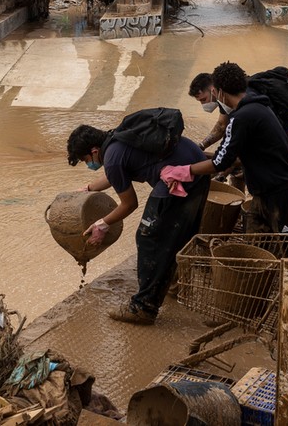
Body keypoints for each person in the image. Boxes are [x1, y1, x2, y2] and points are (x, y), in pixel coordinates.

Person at [66, 118, 210, 325]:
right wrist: (88, 189)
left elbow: (129, 204)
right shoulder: (117, 139)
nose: (87, 163)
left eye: (85, 159)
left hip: (179, 178)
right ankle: (175, 285)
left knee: (149, 238)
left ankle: (143, 308)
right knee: (178, 234)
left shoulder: (113, 156)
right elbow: (114, 175)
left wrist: (103, 224)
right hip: (198, 170)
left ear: (95, 150)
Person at [170, 63, 288, 233]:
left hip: (281, 196)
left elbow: (221, 161)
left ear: (219, 92)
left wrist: (183, 171)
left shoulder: (242, 117)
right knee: (254, 244)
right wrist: (202, 153)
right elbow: (233, 155)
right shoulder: (257, 106)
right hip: (262, 194)